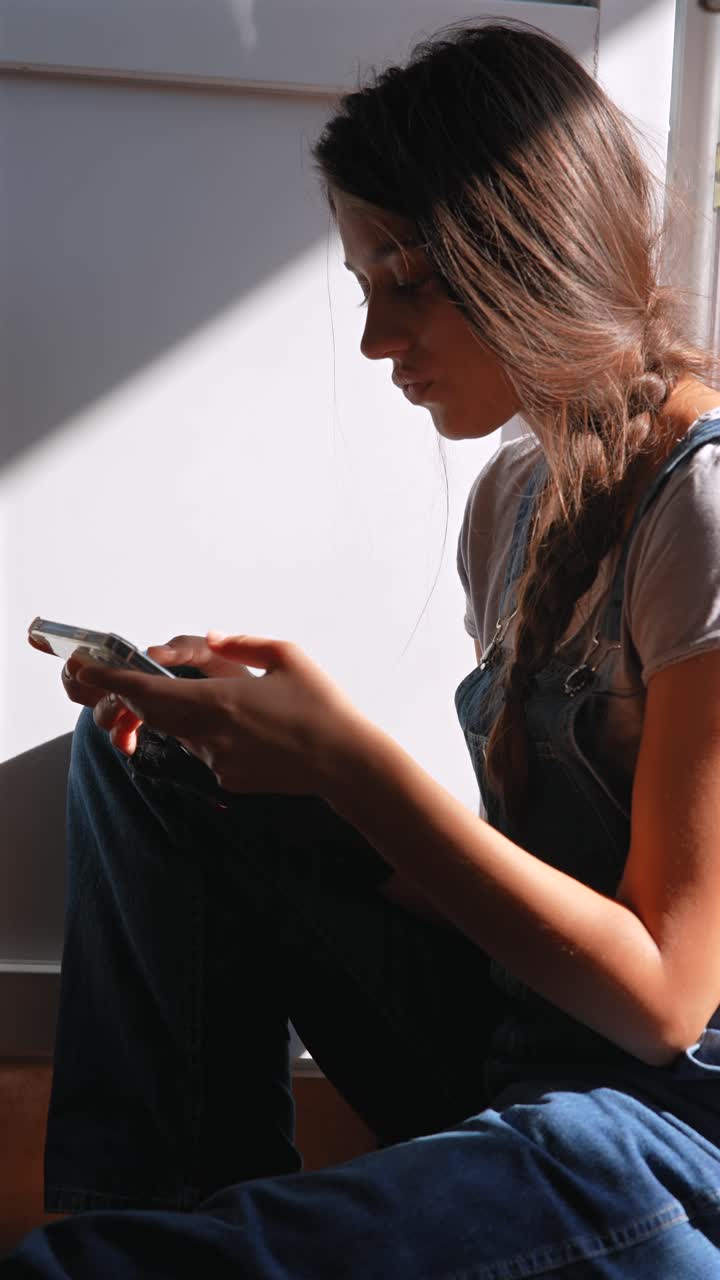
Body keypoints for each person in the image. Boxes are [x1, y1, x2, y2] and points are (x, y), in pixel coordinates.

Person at [8, 18, 720, 1277]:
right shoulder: (514, 500)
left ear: (529, 251)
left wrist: (353, 768)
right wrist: (283, 771)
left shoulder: (704, 508)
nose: (376, 339)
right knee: (148, 750)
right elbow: (525, 901)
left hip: (667, 1134)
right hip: (517, 1043)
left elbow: (664, 1000)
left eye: (409, 277)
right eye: (362, 283)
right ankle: (146, 1205)